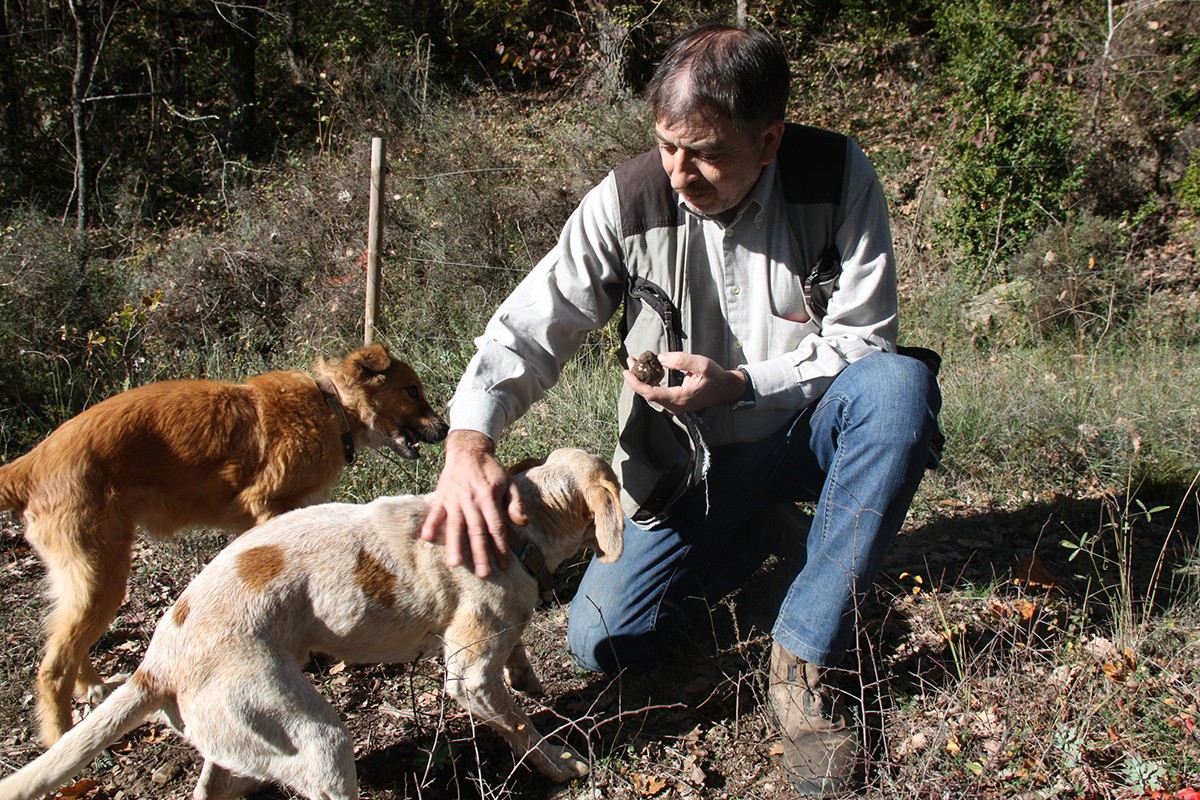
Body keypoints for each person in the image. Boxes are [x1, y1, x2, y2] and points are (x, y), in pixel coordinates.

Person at [419, 23, 942, 796]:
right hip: (683, 474)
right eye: (667, 145)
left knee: (898, 391)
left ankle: (804, 655)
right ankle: (756, 536)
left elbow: (865, 339)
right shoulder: (628, 200)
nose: (679, 171)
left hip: (806, 434)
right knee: (602, 643)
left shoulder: (834, 176)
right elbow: (532, 327)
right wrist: (469, 441)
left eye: (705, 152)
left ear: (768, 141)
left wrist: (738, 383)